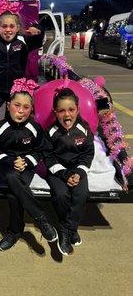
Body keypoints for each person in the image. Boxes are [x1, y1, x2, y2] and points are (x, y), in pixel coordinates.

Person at [0, 78, 57, 251]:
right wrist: (11, 160)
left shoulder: (35, 127)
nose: (20, 111)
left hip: (27, 167)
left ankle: (14, 231)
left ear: (31, 110)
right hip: (7, 166)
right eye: (16, 105)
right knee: (12, 176)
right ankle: (41, 219)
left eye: (26, 107)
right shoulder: (0, 126)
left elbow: (42, 149)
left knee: (14, 194)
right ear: (8, 105)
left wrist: (27, 161)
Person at [0, 10, 44, 135]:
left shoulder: (24, 41)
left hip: (16, 90)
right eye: (4, 26)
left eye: (12, 26)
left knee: (11, 118)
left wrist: (39, 30)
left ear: (17, 28)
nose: (8, 30)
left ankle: (10, 139)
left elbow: (38, 40)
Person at [44, 87, 94, 256]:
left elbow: (87, 155)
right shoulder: (51, 132)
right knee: (60, 195)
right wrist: (65, 175)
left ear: (78, 110)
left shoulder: (85, 129)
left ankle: (67, 229)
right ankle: (68, 229)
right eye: (62, 110)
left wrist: (79, 174)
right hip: (58, 172)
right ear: (55, 112)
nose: (67, 115)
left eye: (71, 110)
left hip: (77, 171)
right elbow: (49, 158)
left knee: (81, 194)